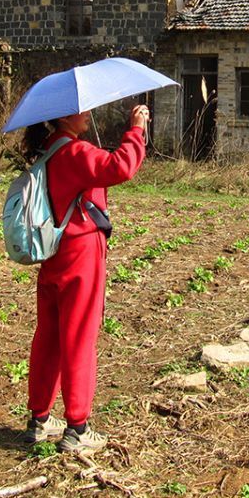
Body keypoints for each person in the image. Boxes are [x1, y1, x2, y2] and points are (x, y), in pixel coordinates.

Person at [21, 103, 149, 454]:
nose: (88, 115)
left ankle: (40, 419)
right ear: (64, 116)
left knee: (49, 337)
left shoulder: (49, 150)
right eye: (82, 111)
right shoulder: (75, 151)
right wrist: (136, 130)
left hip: (54, 251)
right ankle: (78, 426)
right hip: (81, 254)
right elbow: (120, 168)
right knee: (79, 337)